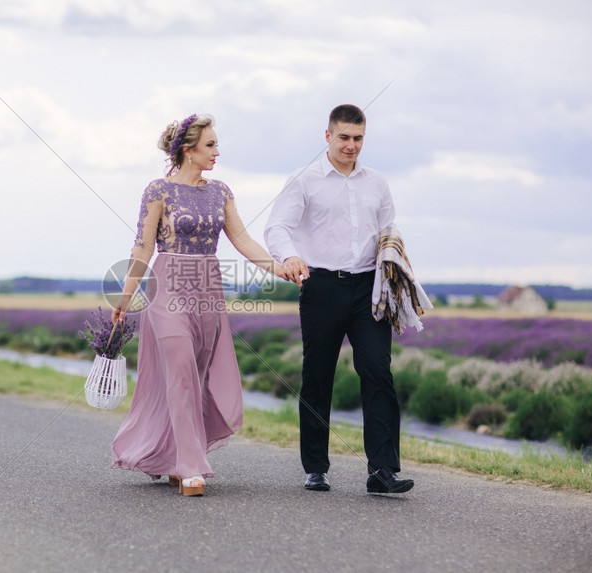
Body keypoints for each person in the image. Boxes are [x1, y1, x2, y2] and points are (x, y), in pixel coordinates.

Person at [111, 114, 286, 496]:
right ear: (187, 150)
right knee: (180, 373)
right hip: (167, 285)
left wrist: (280, 268)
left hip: (208, 286)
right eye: (210, 145)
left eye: (216, 145)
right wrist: (124, 299)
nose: (216, 152)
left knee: (199, 373)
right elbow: (142, 248)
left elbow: (243, 240)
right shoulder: (158, 190)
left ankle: (176, 457)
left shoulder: (221, 191)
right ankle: (191, 468)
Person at [264, 104, 415, 494]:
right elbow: (277, 226)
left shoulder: (377, 182)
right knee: (318, 375)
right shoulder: (304, 180)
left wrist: (396, 264)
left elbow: (388, 230)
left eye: (358, 138)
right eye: (344, 137)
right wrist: (290, 256)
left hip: (369, 289)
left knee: (377, 372)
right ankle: (315, 467)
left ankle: (383, 471)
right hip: (322, 286)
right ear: (327, 135)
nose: (351, 146)